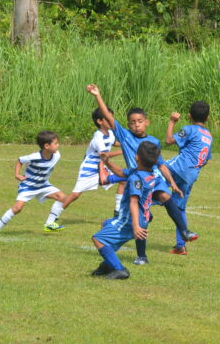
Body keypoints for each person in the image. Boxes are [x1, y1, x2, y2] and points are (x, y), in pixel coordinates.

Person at [86, 84, 198, 265]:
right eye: (132, 122)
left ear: (146, 122)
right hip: (136, 179)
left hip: (153, 178)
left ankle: (184, 231)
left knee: (164, 195)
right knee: (141, 217)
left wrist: (173, 183)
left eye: (139, 121)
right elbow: (107, 115)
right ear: (128, 124)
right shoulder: (125, 136)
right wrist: (97, 95)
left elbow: (161, 165)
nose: (136, 125)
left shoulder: (153, 141)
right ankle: (141, 255)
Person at [91, 141, 160, 279]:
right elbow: (121, 172)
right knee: (106, 224)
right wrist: (107, 162)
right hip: (141, 218)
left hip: (130, 220)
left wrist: (135, 227)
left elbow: (133, 202)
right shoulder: (148, 173)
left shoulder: (136, 178)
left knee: (98, 239)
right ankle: (107, 264)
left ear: (137, 157)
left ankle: (119, 269)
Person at [43, 107, 123, 226]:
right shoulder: (98, 136)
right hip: (89, 168)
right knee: (75, 195)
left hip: (102, 167)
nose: (111, 120)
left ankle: (118, 214)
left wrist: (128, 144)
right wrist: (123, 151)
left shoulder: (110, 133)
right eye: (108, 118)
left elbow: (113, 143)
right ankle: (51, 220)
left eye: (112, 117)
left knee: (124, 179)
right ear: (99, 121)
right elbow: (103, 155)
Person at [0, 131, 67, 235]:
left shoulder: (57, 155)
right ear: (47, 146)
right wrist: (17, 175)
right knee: (18, 208)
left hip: (43, 185)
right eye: (56, 143)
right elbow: (20, 160)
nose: (58, 145)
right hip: (28, 186)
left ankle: (49, 224)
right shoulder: (34, 156)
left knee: (62, 197)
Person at [163, 101, 213, 255]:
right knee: (179, 208)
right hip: (191, 175)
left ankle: (133, 213)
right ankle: (180, 246)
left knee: (152, 173)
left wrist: (172, 121)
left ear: (189, 116)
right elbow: (206, 160)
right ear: (208, 118)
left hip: (178, 168)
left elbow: (169, 140)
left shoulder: (189, 129)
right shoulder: (209, 136)